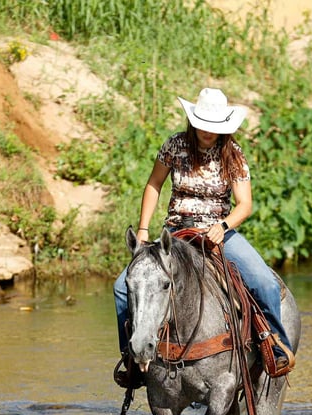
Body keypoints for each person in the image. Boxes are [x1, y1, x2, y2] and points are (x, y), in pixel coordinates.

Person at [113, 87, 295, 388]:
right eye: (203, 125)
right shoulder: (174, 145)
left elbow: (245, 204)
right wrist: (143, 230)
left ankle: (275, 347)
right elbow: (154, 184)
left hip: (218, 233)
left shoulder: (233, 154)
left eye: (213, 126)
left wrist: (223, 226)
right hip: (175, 233)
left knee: (263, 281)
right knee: (122, 287)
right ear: (193, 121)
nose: (208, 131)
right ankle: (132, 358)